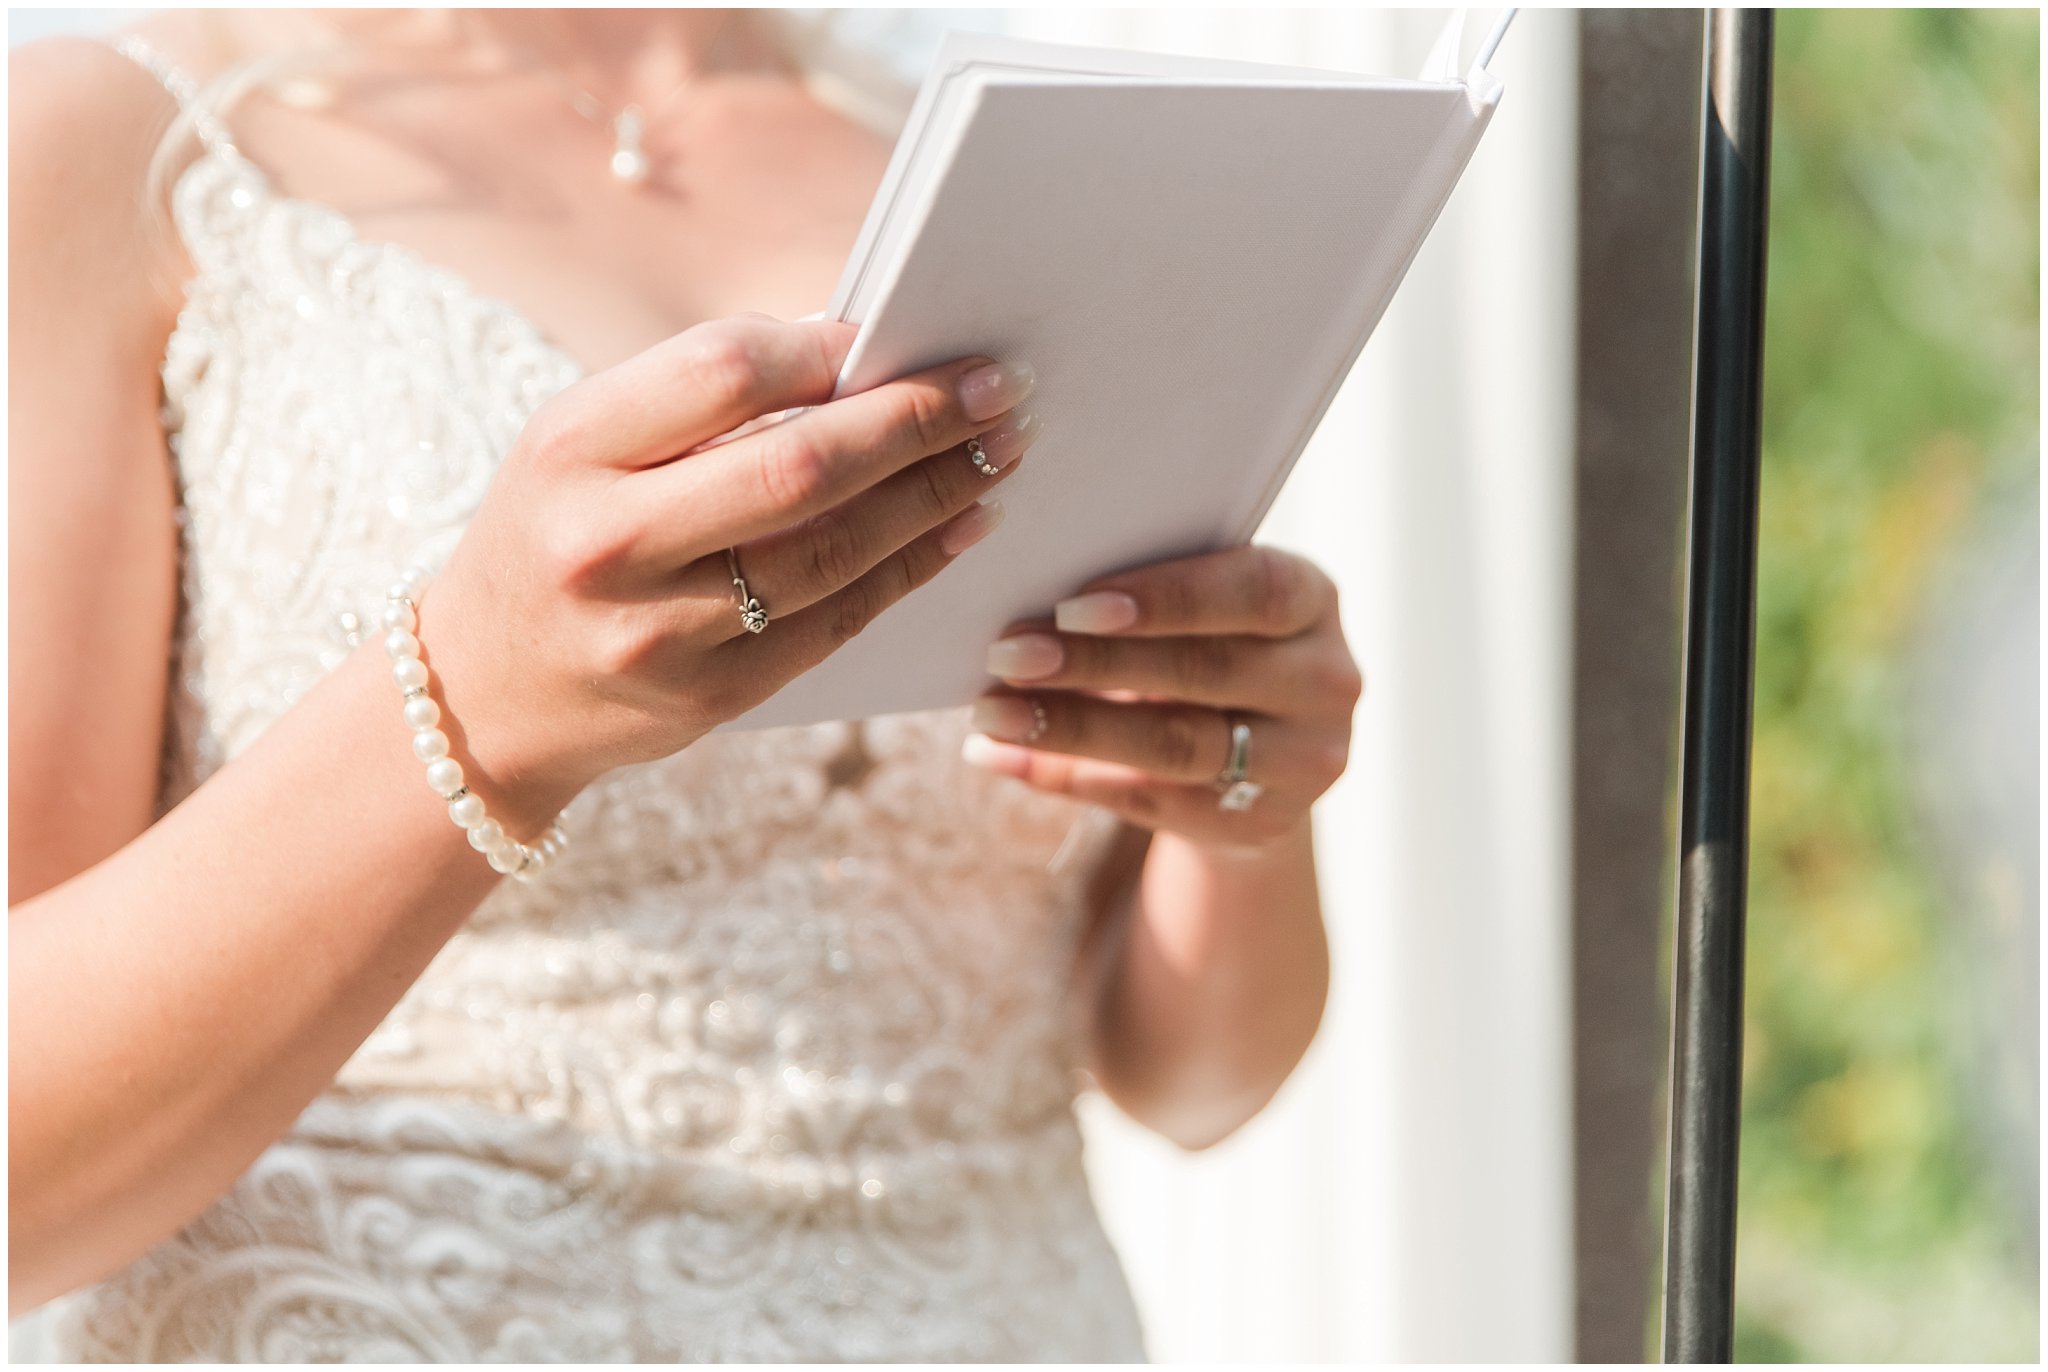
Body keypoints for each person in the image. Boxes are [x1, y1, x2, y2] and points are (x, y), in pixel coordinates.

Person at [8, 8, 1355, 1360]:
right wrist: (477, 698)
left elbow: (1194, 1083)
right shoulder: (110, 142)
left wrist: (1242, 807)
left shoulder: (983, 162)